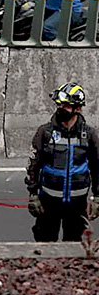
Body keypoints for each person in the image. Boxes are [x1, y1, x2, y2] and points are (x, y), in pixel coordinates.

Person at [26, 82, 99, 241]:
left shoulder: (89, 135)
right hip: (48, 202)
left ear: (77, 109)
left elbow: (97, 166)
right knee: (44, 244)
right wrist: (33, 194)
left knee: (74, 247)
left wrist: (97, 196)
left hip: (77, 203)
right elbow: (33, 165)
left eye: (65, 106)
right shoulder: (45, 132)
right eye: (59, 105)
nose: (60, 109)